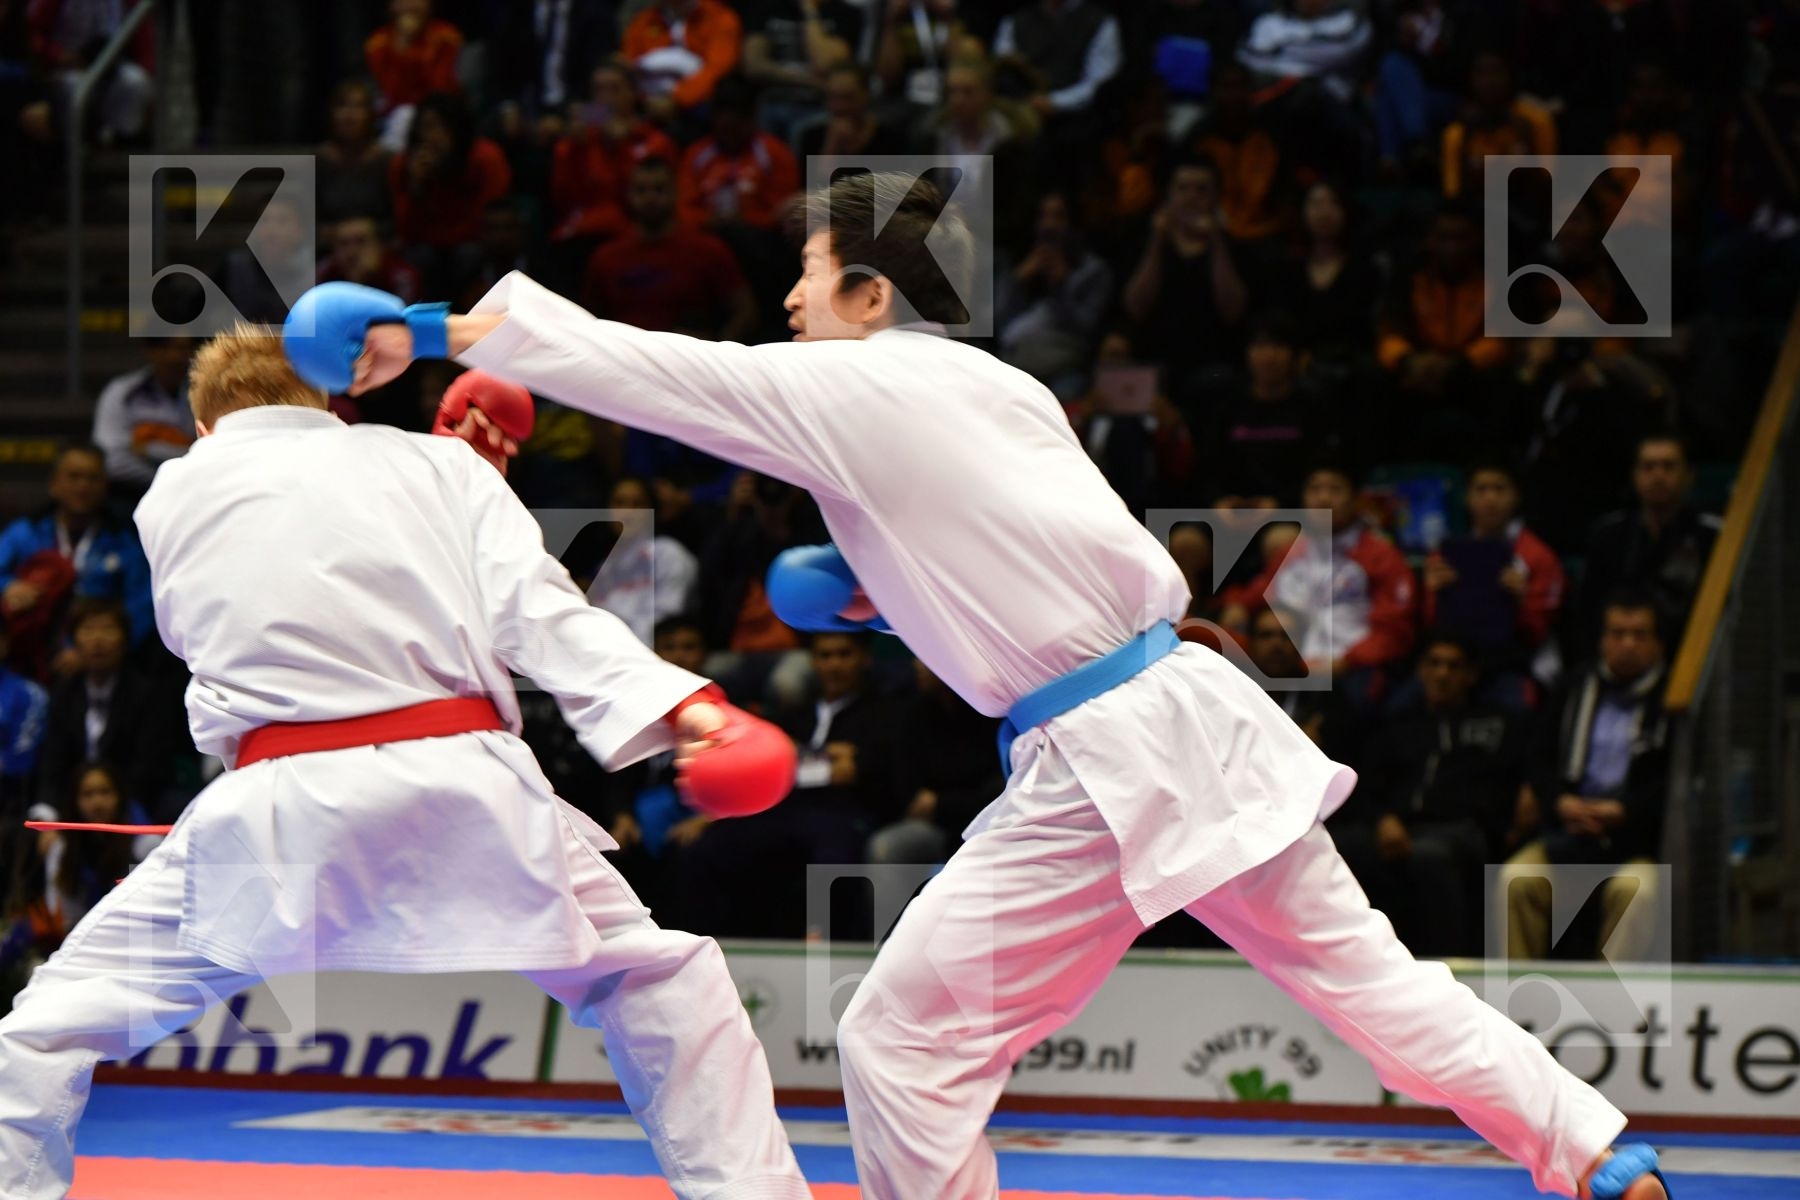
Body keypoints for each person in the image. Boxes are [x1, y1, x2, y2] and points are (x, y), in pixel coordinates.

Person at [285, 171, 1672, 1200]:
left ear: (870, 297)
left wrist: (433, 326)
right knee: (1370, 980)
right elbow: (1030, 560)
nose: (787, 302)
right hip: (1194, 715)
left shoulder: (853, 389)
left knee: (901, 1039)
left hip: (1104, 758)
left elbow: (654, 373)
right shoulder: (1002, 388)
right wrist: (874, 597)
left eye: (808, 277)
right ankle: (1598, 1154)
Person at [0, 328, 808, 1200]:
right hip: (462, 789)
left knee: (47, 1025)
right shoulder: (433, 467)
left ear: (203, 427)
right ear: (330, 401)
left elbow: (283, 570)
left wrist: (450, 477)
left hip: (275, 810)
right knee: (660, 981)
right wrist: (687, 706)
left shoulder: (170, 493)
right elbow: (536, 613)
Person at [1498, 592, 1670, 963]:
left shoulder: (1672, 699)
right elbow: (1539, 757)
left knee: (1637, 894)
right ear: (1602, 640)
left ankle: (1610, 999)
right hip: (1568, 832)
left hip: (1635, 841)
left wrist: (1625, 811)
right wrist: (1560, 802)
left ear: (1658, 643)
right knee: (1515, 880)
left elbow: (1674, 780)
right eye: (1618, 633)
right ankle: (1520, 996)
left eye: (1639, 635)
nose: (1628, 644)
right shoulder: (1575, 687)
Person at [0, 444, 155, 676]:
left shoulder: (124, 541)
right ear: (54, 484)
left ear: (105, 486)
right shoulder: (26, 532)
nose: (83, 486)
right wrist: (8, 586)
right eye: (74, 477)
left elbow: (142, 606)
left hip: (100, 661)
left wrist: (96, 649)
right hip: (27, 652)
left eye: (92, 478)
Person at [89, 337, 197, 507]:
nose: (175, 356)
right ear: (150, 350)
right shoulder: (122, 392)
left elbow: (207, 455)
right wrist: (169, 477)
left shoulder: (208, 393)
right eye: (167, 347)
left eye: (184, 348)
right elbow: (113, 461)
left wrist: (148, 449)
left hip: (191, 494)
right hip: (131, 495)